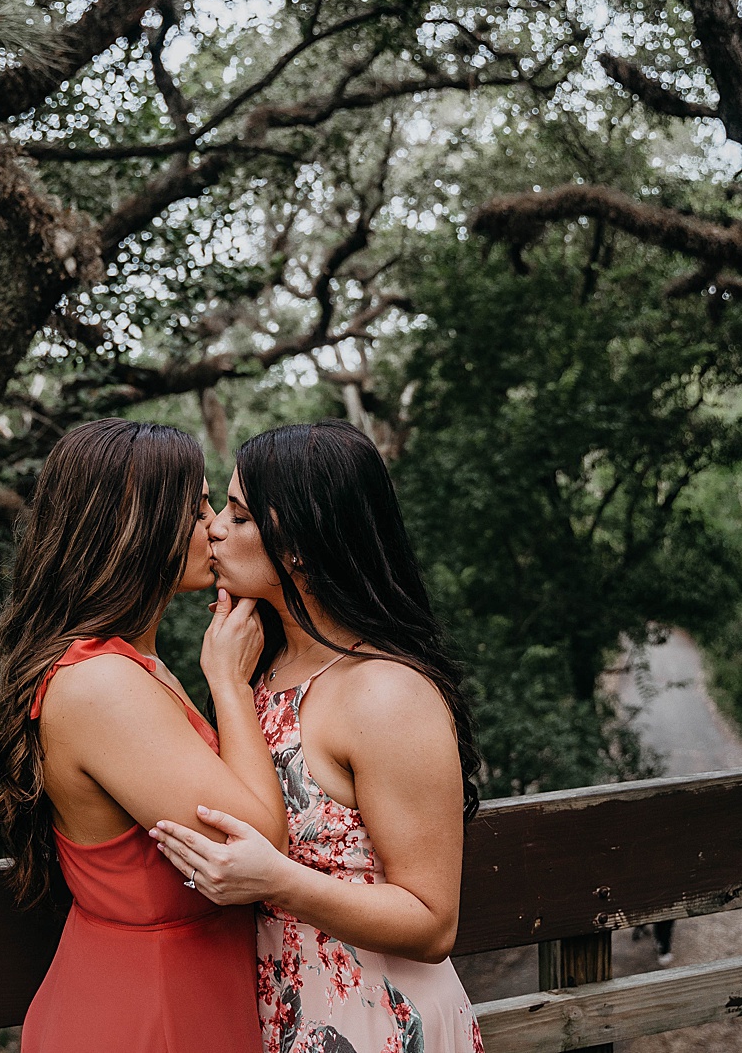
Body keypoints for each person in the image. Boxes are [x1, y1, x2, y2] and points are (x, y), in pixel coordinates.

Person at [151, 419, 485, 1053]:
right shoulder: (262, 670)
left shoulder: (385, 692)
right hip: (281, 1012)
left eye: (240, 516)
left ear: (299, 545)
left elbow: (433, 920)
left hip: (373, 1019)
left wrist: (276, 880)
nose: (215, 528)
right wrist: (225, 680)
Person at [0, 418, 285, 1053]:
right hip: (148, 1015)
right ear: (136, 524)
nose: (214, 524)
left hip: (186, 992)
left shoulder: (128, 664)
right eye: (197, 503)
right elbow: (258, 844)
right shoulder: (100, 687)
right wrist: (228, 684)